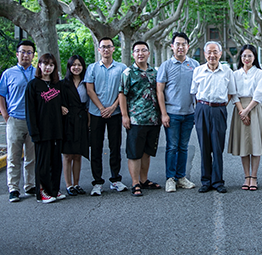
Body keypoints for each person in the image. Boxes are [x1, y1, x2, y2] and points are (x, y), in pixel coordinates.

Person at [190, 41, 237, 193]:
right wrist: (201, 107)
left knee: (217, 147)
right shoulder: (198, 71)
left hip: (219, 110)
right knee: (204, 146)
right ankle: (206, 181)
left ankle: (217, 181)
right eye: (209, 52)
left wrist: (220, 105)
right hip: (202, 108)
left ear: (220, 53)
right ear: (204, 54)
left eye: (215, 52)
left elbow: (231, 92)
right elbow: (194, 92)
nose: (212, 55)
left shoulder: (227, 71)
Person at [84, 37, 128, 196]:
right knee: (96, 148)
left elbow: (123, 90)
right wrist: (102, 108)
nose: (106, 49)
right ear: (99, 49)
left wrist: (114, 107)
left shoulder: (122, 68)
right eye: (103, 47)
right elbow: (89, 90)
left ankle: (115, 179)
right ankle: (97, 182)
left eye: (109, 47)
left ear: (113, 49)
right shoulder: (92, 68)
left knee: (115, 147)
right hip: (96, 113)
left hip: (115, 113)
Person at [157, 32, 199, 193]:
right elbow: (160, 91)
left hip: (189, 113)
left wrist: (197, 111)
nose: (180, 47)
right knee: (172, 147)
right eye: (177, 44)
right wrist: (163, 113)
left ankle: (181, 177)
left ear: (188, 46)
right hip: (172, 113)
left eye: (183, 44)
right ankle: (170, 178)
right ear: (172, 47)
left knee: (183, 146)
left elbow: (198, 90)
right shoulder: (166, 65)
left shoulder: (194, 65)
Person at [0, 40, 37, 203]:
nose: (26, 55)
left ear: (33, 55)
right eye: (23, 52)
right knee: (14, 156)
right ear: (17, 54)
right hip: (15, 120)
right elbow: (0, 94)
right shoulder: (8, 73)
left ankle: (30, 185)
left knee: (32, 156)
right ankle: (13, 188)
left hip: (33, 121)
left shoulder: (38, 73)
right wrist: (5, 115)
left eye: (29, 52)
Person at [119, 41, 162, 197]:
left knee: (146, 152)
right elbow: (122, 94)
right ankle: (135, 182)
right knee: (134, 153)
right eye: (137, 51)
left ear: (149, 53)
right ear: (133, 54)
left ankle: (144, 180)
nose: (140, 53)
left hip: (153, 119)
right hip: (135, 119)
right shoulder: (128, 73)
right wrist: (125, 115)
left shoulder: (155, 72)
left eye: (144, 50)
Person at [228, 44, 262, 191]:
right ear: (241, 57)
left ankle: (254, 177)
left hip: (254, 108)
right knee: (243, 145)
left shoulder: (259, 73)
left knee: (255, 143)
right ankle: (246, 176)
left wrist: (247, 111)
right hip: (240, 108)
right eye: (244, 56)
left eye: (250, 56)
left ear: (254, 57)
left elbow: (259, 93)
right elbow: (233, 93)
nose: (246, 58)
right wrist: (242, 111)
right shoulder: (235, 74)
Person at [25, 53, 67, 203]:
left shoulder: (58, 85)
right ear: (39, 65)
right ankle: (42, 192)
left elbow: (62, 104)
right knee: (42, 163)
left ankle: (54, 190)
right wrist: (34, 132)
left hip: (57, 130)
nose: (48, 67)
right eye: (45, 64)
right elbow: (30, 111)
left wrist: (62, 107)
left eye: (51, 65)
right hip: (41, 132)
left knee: (55, 162)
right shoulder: (33, 85)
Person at [61, 55, 90, 196]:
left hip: (81, 119)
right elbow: (57, 100)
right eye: (74, 65)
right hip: (67, 121)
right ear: (69, 66)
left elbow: (88, 103)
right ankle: (69, 185)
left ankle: (77, 183)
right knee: (68, 155)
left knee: (78, 154)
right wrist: (60, 107)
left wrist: (89, 121)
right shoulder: (63, 84)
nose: (76, 67)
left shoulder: (87, 83)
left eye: (79, 65)